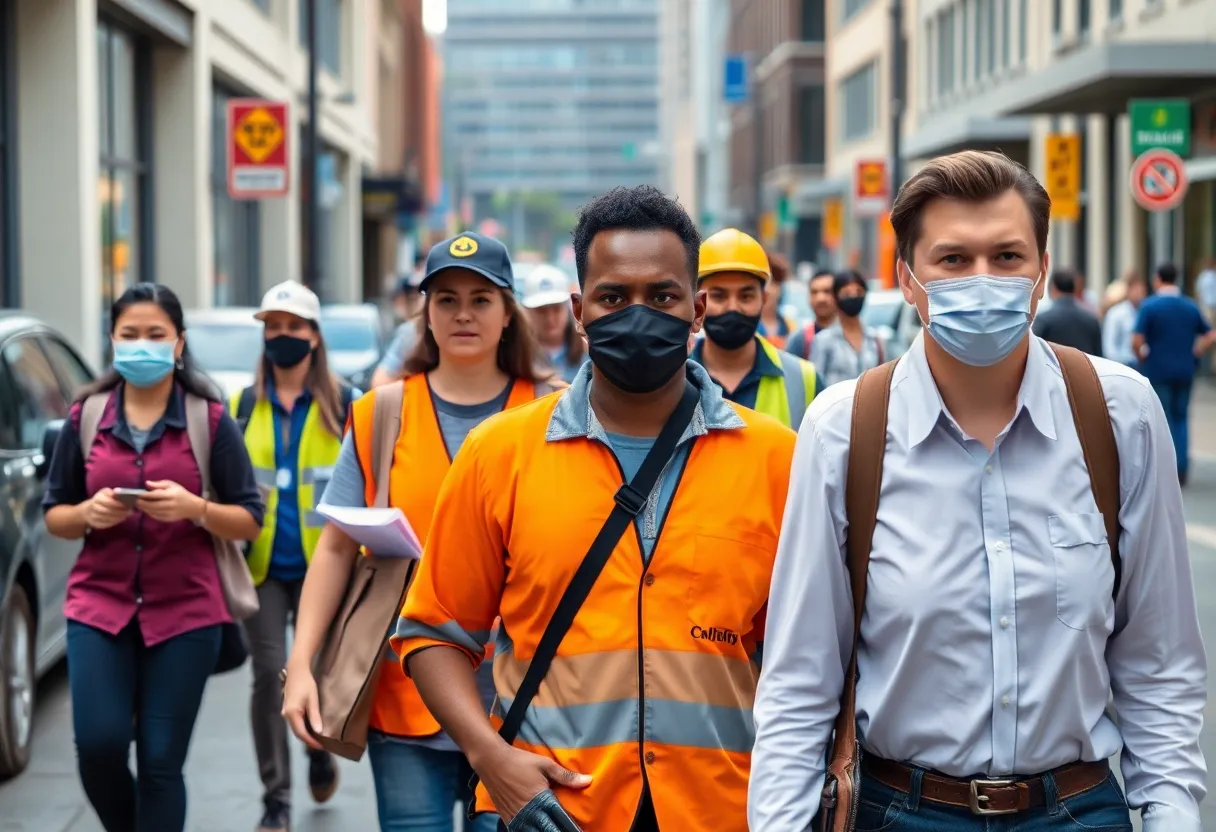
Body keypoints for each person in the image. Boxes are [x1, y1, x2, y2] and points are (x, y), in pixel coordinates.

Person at [750, 150, 1207, 831]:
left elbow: (1159, 662)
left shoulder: (1119, 414)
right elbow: (798, 681)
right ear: (908, 279)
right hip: (900, 812)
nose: (983, 280)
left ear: (1042, 272)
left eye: (1007, 256)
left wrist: (1171, 815)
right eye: (953, 260)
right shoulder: (845, 430)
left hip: (1079, 811)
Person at [392, 185, 796, 832]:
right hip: (553, 811)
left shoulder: (778, 460)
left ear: (696, 308)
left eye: (662, 296)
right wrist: (492, 759)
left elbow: (809, 659)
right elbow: (434, 633)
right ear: (580, 310)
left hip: (724, 809)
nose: (638, 315)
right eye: (614, 298)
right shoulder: (499, 453)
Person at [281, 232, 562, 832]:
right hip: (406, 699)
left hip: (522, 704)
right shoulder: (380, 414)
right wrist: (301, 664)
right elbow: (335, 548)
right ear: (425, 315)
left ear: (508, 313)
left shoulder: (553, 412)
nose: (463, 313)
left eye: (481, 299)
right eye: (446, 299)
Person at [42, 283, 264, 832]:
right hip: (99, 607)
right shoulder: (85, 416)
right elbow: (55, 514)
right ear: (112, 341)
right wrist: (88, 514)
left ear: (179, 343)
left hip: (186, 612)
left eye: (156, 335)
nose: (142, 345)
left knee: (162, 763)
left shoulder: (209, 419)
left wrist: (196, 508)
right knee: (99, 747)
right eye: (129, 335)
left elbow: (250, 517)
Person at [233, 281, 358, 832]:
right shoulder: (244, 403)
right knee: (267, 676)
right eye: (273, 328)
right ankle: (275, 798)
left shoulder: (345, 402)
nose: (281, 337)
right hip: (261, 567)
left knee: (316, 676)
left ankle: (316, 748)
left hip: (324, 570)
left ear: (313, 336)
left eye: (293, 327)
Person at [690, 227, 821, 428]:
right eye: (719, 295)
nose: (733, 307)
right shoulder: (673, 377)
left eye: (746, 296)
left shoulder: (804, 380)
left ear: (764, 299)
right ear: (699, 303)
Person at [1133, 262, 1216, 486]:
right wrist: (1197, 349)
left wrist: (1142, 356)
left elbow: (1137, 340)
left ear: (1157, 279)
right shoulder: (1189, 306)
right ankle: (1182, 467)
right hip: (1185, 369)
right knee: (1181, 417)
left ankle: (1168, 467)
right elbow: (1211, 334)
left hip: (1158, 369)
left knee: (1164, 417)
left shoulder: (1150, 306)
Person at [808, 270, 886, 388]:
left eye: (859, 292)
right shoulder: (823, 340)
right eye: (846, 293)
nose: (853, 297)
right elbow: (815, 384)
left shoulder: (875, 340)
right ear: (835, 297)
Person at [519, 262, 588, 383]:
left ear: (569, 307)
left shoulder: (589, 353)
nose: (549, 318)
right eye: (541, 311)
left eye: (556, 309)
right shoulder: (516, 357)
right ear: (527, 311)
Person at [371, 273, 426, 388]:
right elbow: (380, 382)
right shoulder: (409, 331)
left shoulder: (410, 331)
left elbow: (380, 383)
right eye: (411, 297)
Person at [1032, 269, 1104, 356]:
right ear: (1074, 288)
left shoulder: (1044, 319)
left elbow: (1034, 352)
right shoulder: (1091, 320)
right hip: (1084, 367)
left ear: (1053, 287)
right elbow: (1099, 354)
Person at [785, 268, 837, 360]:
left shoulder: (850, 337)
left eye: (827, 291)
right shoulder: (799, 340)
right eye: (814, 292)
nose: (820, 298)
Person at [1102, 271, 1147, 369]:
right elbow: (1109, 347)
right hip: (1123, 365)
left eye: (1141, 291)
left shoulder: (1146, 312)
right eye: (1136, 290)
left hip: (1143, 365)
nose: (1139, 295)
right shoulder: (1116, 313)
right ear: (1128, 290)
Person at [757, 249, 798, 348]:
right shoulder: (746, 325)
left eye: (772, 283)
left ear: (779, 287)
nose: (767, 290)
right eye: (763, 284)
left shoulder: (790, 326)